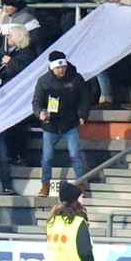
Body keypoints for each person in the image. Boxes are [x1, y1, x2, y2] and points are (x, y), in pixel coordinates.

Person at [33, 52, 89, 198]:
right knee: (47, 156)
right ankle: (45, 184)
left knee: (75, 154)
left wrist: (83, 115)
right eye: (58, 68)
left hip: (70, 123)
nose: (62, 70)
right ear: (52, 68)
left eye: (63, 67)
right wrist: (40, 113)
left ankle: (81, 183)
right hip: (50, 126)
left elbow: (85, 98)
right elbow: (36, 102)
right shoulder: (44, 81)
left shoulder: (76, 79)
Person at [44, 181, 94, 261]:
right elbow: (85, 253)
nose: (83, 201)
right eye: (81, 197)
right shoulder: (78, 223)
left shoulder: (52, 221)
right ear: (75, 201)